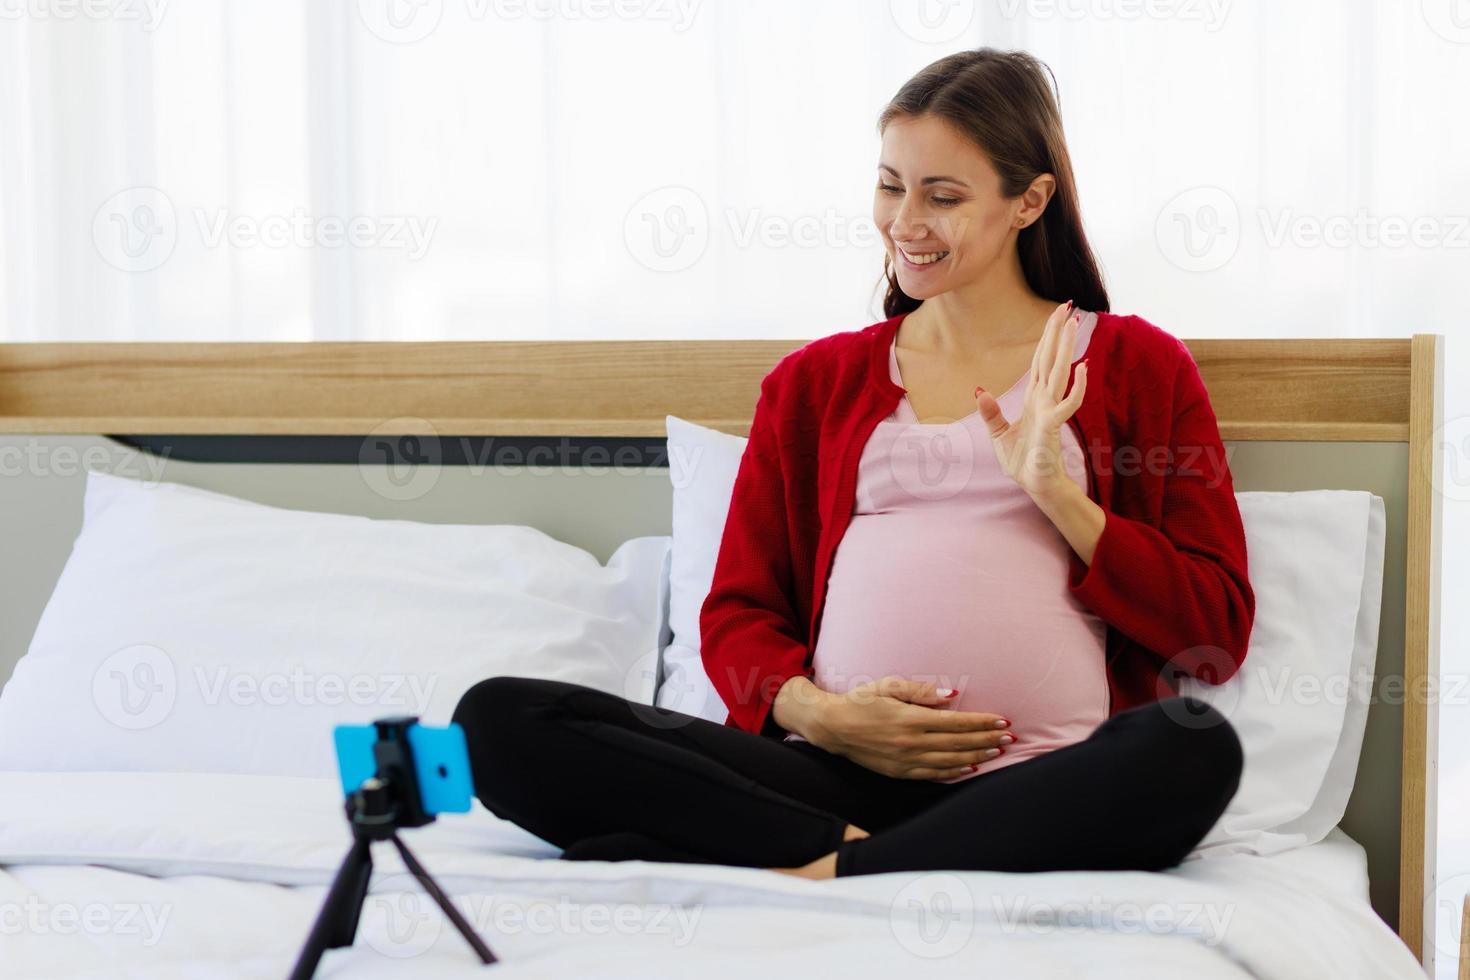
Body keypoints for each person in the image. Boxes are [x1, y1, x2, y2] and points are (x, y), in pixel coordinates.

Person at [453, 47, 1254, 880]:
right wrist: (827, 717)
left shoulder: (1138, 365)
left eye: (943, 196)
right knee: (498, 720)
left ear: (1030, 200)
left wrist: (1057, 493)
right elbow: (736, 614)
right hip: (827, 777)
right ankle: (869, 859)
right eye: (890, 185)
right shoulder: (814, 384)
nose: (906, 220)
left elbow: (1214, 633)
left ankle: (825, 870)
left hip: (1041, 783)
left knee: (1191, 751)